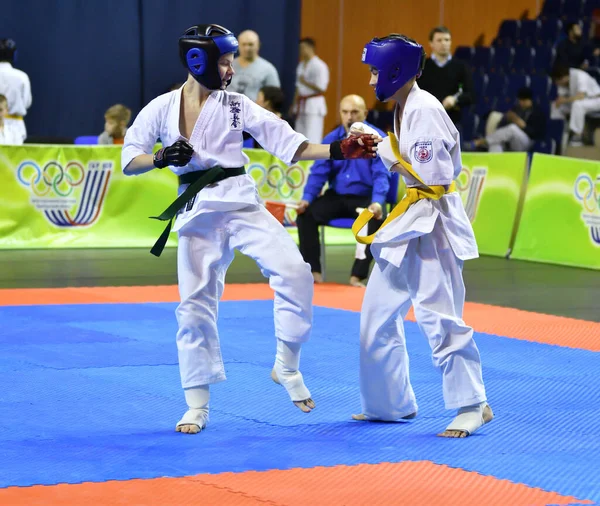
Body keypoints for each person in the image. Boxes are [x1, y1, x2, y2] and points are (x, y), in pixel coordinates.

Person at [121, 24, 381, 435]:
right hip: (196, 211)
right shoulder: (161, 108)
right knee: (194, 307)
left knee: (295, 272)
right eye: (224, 61)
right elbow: (128, 156)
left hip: (241, 202)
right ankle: (197, 404)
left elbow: (290, 144)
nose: (230, 70)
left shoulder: (238, 105)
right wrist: (159, 158)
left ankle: (286, 364)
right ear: (198, 61)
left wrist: (337, 149)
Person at [351, 34, 492, 438]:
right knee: (376, 317)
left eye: (376, 71)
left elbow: (432, 178)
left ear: (396, 71)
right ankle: (388, 404)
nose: (371, 79)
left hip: (434, 225)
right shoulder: (403, 107)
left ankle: (472, 405)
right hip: (410, 223)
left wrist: (383, 150)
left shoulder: (426, 111)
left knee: (438, 316)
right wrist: (382, 141)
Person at [295, 94, 390, 287]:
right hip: (336, 197)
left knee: (376, 219)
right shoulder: (332, 139)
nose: (350, 117)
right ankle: (314, 273)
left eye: (355, 112)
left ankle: (357, 277)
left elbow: (382, 175)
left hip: (365, 199)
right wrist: (306, 199)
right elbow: (319, 173)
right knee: (306, 215)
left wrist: (377, 202)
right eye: (345, 112)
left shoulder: (378, 139)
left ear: (365, 113)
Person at [417, 27, 474, 127]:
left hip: (452, 121)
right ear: (431, 44)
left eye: (446, 40)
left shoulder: (461, 67)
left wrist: (455, 99)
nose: (443, 43)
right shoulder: (422, 66)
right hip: (426, 119)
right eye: (439, 40)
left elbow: (470, 95)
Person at [466, 87, 546, 152]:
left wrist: (523, 126)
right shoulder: (517, 109)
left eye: (524, 101)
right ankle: (495, 168)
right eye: (520, 100)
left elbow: (536, 134)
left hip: (527, 142)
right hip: (511, 141)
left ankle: (479, 142)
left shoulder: (537, 112)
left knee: (512, 128)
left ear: (529, 100)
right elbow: (502, 126)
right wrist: (507, 119)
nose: (521, 103)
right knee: (495, 144)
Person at [551, 64, 600, 146]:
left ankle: (577, 135)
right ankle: (558, 131)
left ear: (563, 77)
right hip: (580, 101)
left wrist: (565, 100)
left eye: (558, 81)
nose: (557, 84)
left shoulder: (580, 75)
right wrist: (559, 101)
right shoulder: (564, 82)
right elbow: (562, 98)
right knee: (555, 105)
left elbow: (581, 96)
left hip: (595, 100)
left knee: (577, 105)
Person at [292, 38, 330, 143]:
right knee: (299, 136)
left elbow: (322, 88)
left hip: (314, 105)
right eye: (300, 48)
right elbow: (298, 87)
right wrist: (294, 105)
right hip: (301, 104)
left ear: (311, 48)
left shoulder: (320, 66)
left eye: (303, 47)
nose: (301, 50)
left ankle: (312, 159)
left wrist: (305, 82)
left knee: (312, 136)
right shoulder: (301, 65)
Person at [229, 30, 280, 101]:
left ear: (258, 45)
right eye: (244, 44)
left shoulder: (268, 69)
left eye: (250, 44)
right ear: (238, 45)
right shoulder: (228, 65)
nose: (247, 48)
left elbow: (274, 98)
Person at [0, 39, 32, 143]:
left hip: (15, 124)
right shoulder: (21, 77)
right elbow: (26, 102)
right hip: (15, 126)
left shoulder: (21, 76)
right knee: (14, 158)